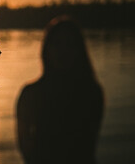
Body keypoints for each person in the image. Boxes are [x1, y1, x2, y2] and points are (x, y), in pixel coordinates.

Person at [17, 16, 104, 164]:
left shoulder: (91, 93)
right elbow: (25, 147)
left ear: (78, 51)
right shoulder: (30, 94)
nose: (62, 51)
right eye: (57, 44)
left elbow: (87, 145)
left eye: (69, 45)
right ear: (47, 48)